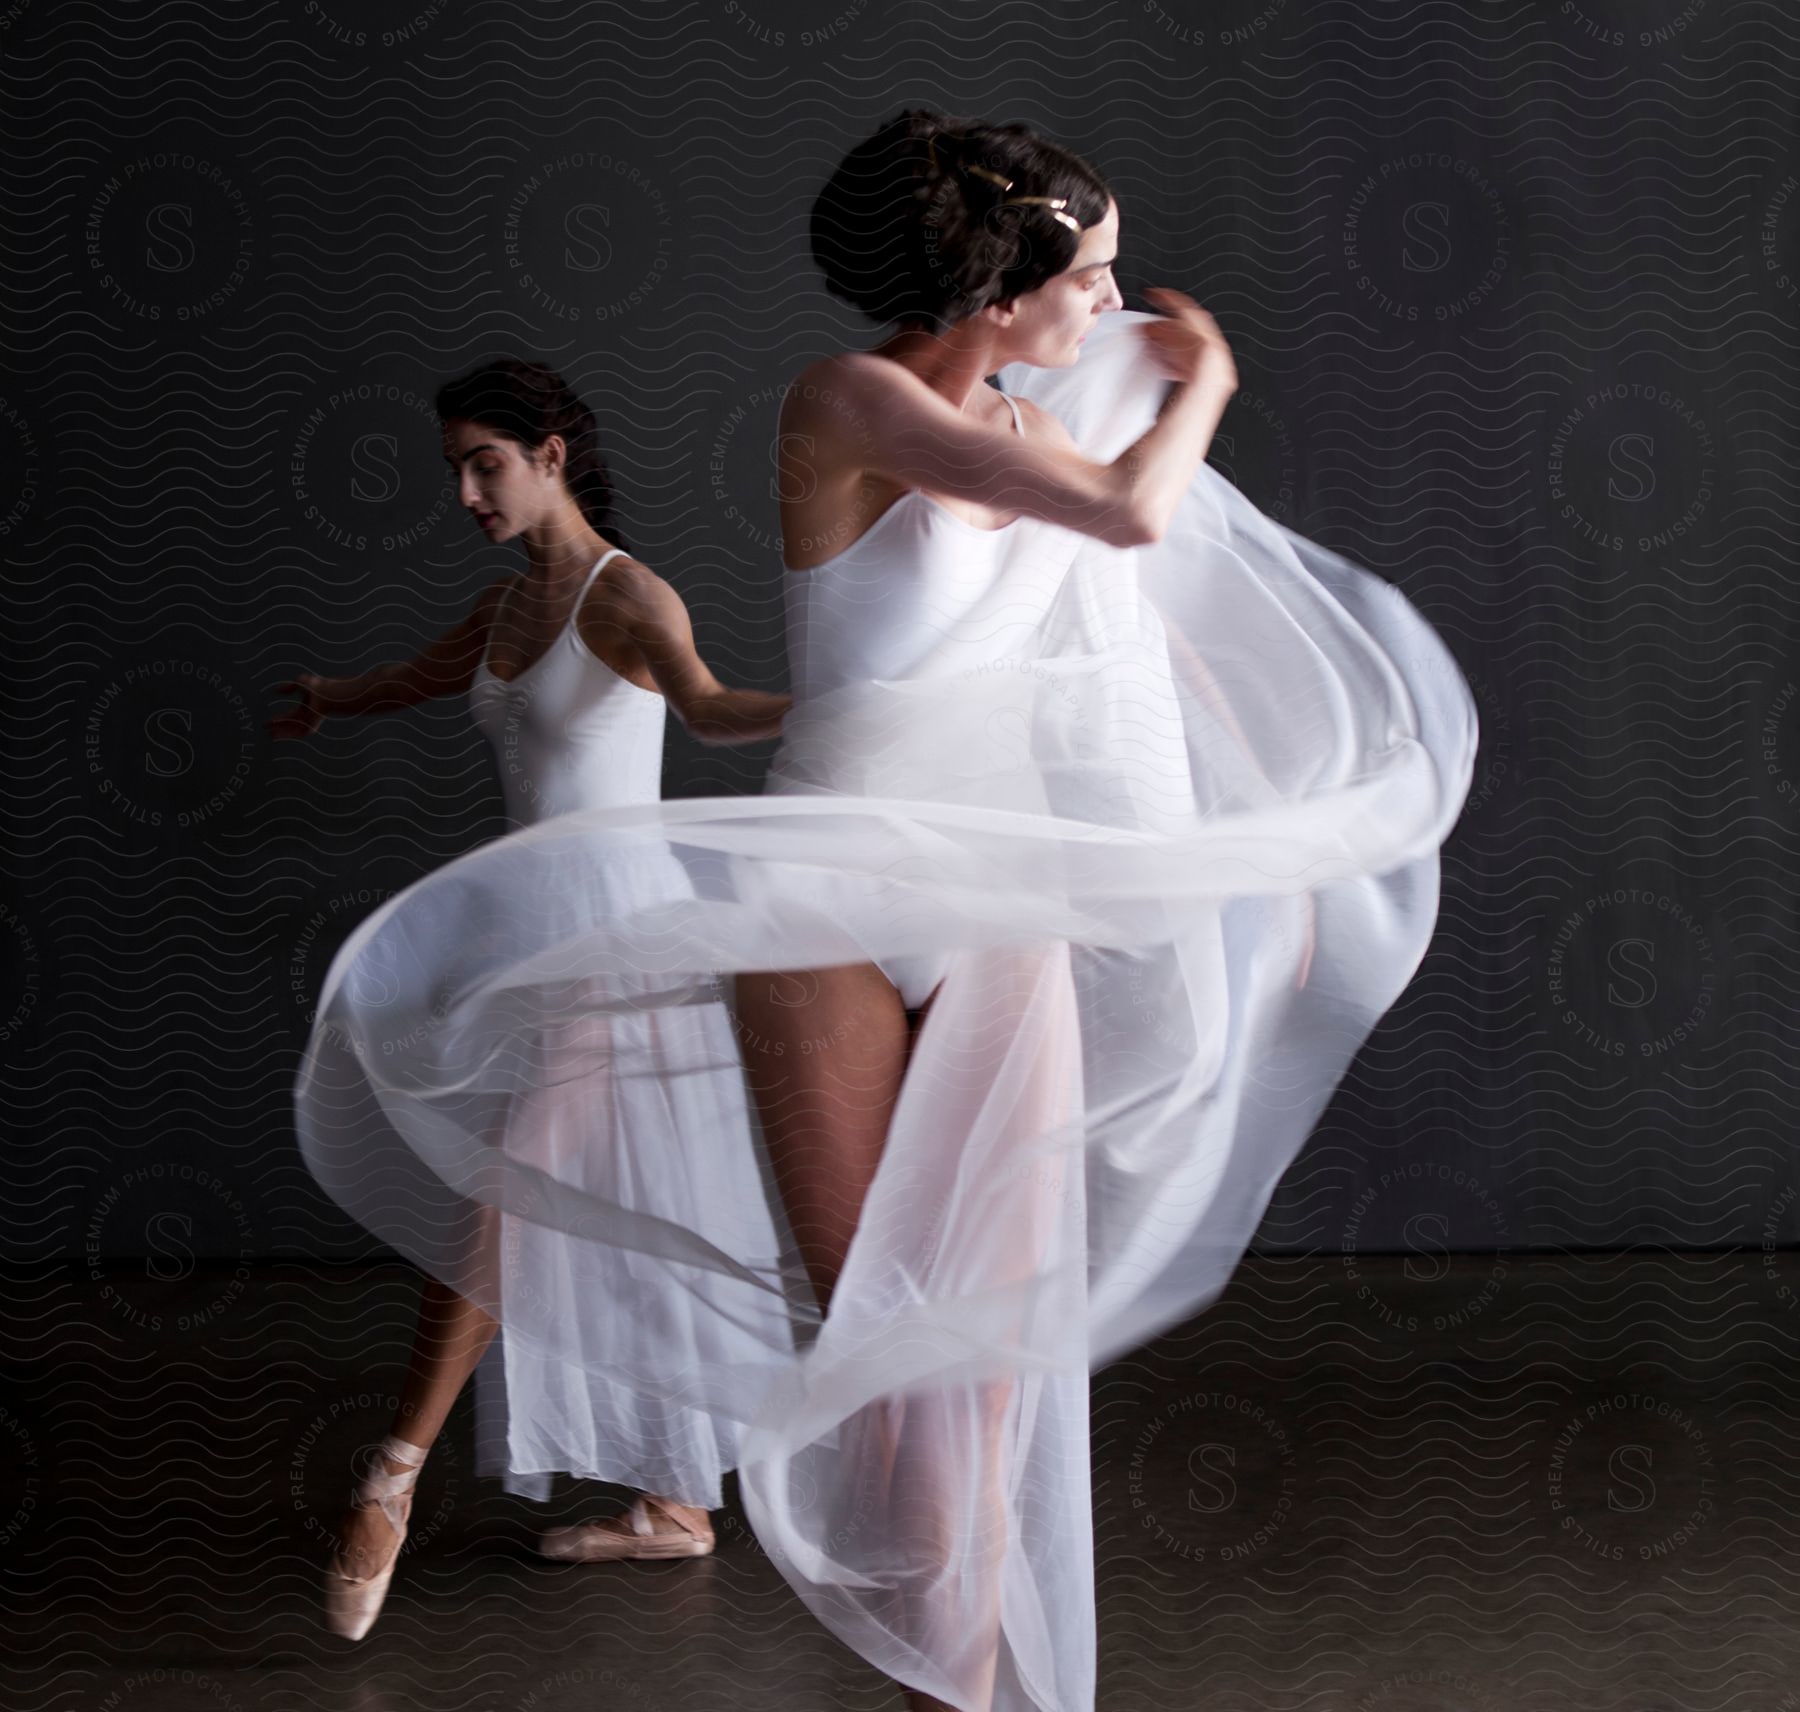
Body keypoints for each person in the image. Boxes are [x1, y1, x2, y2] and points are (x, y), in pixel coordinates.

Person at [293, 111, 1479, 1712]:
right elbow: (1133, 508)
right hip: (828, 914)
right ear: (1002, 281)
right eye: (1099, 274)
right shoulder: (844, 403)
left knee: (990, 1367)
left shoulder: (1028, 406)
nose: (1118, 308)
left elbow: (1124, 605)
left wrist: (1248, 849)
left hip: (990, 905)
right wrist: (1211, 376)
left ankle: (970, 1687)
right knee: (888, 1355)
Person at [276, 357, 790, 1642]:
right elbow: (420, 676)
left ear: (553, 452)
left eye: (483, 462)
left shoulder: (628, 598)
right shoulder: (507, 608)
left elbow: (715, 708)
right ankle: (676, 1503)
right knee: (599, 1208)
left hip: (615, 940)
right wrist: (330, 698)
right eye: (454, 466)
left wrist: (856, 710)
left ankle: (388, 1477)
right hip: (521, 937)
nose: (464, 490)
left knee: (507, 1190)